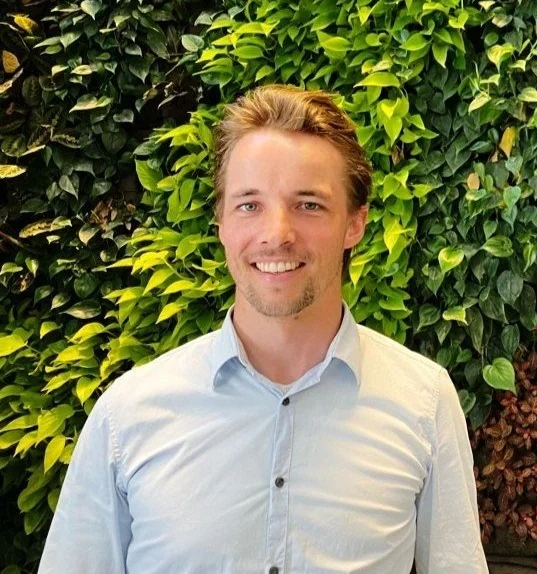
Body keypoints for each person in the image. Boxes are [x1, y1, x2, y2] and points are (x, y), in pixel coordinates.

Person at [39, 85, 488, 573]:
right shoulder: (127, 417)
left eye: (309, 204)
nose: (277, 234)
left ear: (355, 223)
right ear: (221, 223)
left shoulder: (423, 402)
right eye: (249, 205)